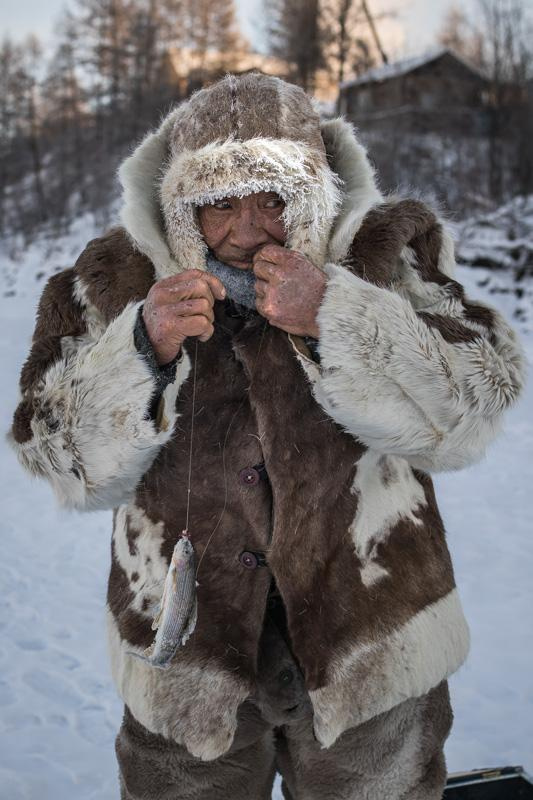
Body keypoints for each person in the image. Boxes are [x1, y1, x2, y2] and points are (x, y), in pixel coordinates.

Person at [10, 72, 525, 799]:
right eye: (218, 203)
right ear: (180, 204)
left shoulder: (387, 251)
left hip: (374, 642)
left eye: (273, 198)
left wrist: (339, 317)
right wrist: (137, 350)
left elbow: (474, 407)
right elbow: (52, 452)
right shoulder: (104, 279)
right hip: (181, 654)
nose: (247, 229)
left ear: (314, 193)